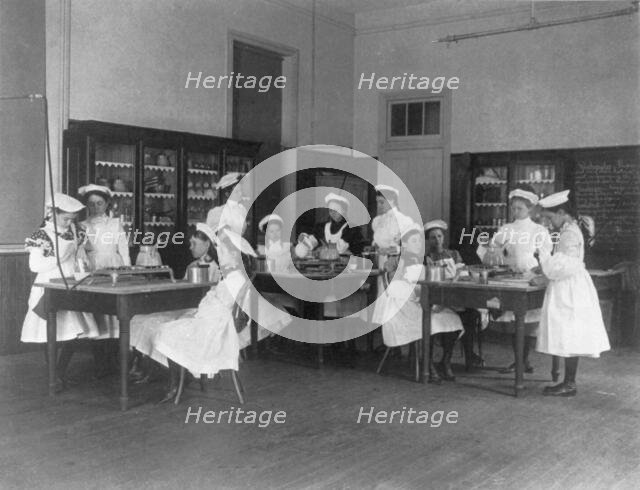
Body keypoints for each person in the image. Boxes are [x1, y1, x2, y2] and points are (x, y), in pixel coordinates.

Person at [536, 190, 610, 396]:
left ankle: (569, 383)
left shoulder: (569, 233)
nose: (549, 223)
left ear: (561, 212)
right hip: (572, 283)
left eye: (550, 218)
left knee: (568, 332)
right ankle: (568, 382)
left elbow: (556, 269)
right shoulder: (572, 228)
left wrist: (543, 254)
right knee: (569, 333)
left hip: (569, 287)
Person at [21, 193, 99, 389]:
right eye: (65, 218)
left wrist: (84, 265)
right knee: (51, 332)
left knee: (75, 332)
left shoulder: (77, 231)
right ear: (53, 213)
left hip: (72, 282)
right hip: (50, 283)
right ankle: (53, 375)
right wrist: (60, 256)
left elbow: (81, 255)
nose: (69, 223)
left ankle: (60, 371)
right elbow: (35, 266)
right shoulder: (41, 235)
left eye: (72, 219)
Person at [372, 222, 464, 384]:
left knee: (453, 318)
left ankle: (445, 361)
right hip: (403, 311)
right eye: (414, 241)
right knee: (432, 321)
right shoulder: (399, 261)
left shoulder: (418, 261)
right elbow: (398, 292)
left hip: (418, 304)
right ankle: (427, 366)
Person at [480, 187, 553, 374]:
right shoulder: (507, 229)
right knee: (514, 320)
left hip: (531, 277)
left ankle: (523, 360)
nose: (515, 212)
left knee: (528, 320)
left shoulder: (539, 230)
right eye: (513, 208)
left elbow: (546, 256)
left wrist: (541, 271)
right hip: (510, 275)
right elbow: (492, 247)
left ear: (529, 209)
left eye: (519, 208)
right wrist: (494, 251)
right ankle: (520, 360)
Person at [424, 219, 485, 372]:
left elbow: (463, 273)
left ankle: (467, 358)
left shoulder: (454, 253)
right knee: (452, 317)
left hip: (457, 295)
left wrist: (461, 273)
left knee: (471, 314)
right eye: (433, 237)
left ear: (443, 238)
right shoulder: (427, 258)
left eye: (439, 236)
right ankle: (446, 361)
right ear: (428, 240)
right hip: (440, 299)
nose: (437, 240)